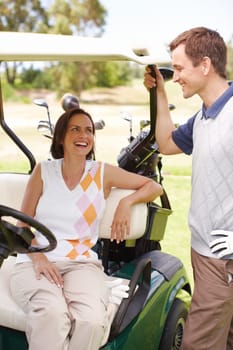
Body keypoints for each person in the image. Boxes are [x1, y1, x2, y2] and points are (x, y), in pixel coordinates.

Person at [9, 107, 162, 350]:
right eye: (75, 129)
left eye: (89, 130)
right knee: (52, 314)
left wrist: (126, 202)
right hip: (36, 260)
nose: (84, 135)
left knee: (91, 320)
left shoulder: (101, 173)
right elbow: (22, 224)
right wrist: (38, 257)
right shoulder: (43, 171)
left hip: (81, 263)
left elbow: (154, 187)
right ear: (61, 137)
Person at [144, 27, 233, 350]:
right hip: (204, 251)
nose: (176, 75)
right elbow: (166, 143)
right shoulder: (204, 117)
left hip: (222, 259)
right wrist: (160, 93)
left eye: (179, 68)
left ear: (205, 65)